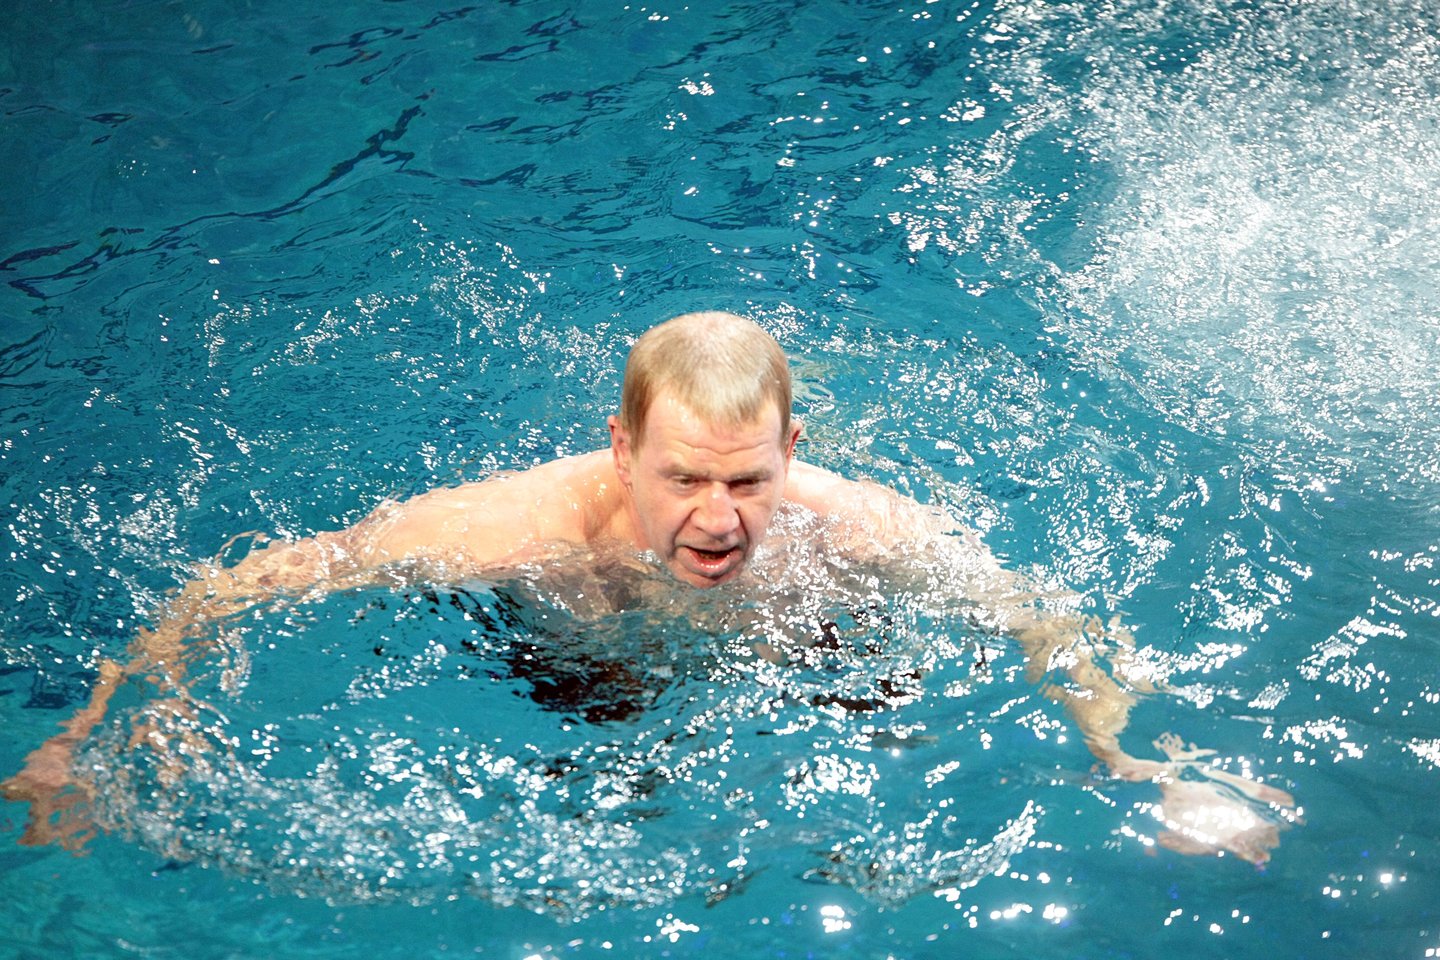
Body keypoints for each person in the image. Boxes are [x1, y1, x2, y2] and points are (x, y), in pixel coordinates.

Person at [2, 311, 1296, 863]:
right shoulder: (504, 529)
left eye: (750, 480)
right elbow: (231, 587)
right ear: (622, 450)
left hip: (795, 650)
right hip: (579, 657)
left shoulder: (851, 522)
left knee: (869, 694)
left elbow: (1041, 617)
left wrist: (1141, 760)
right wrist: (90, 734)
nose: (719, 521)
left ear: (792, 451)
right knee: (607, 746)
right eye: (684, 479)